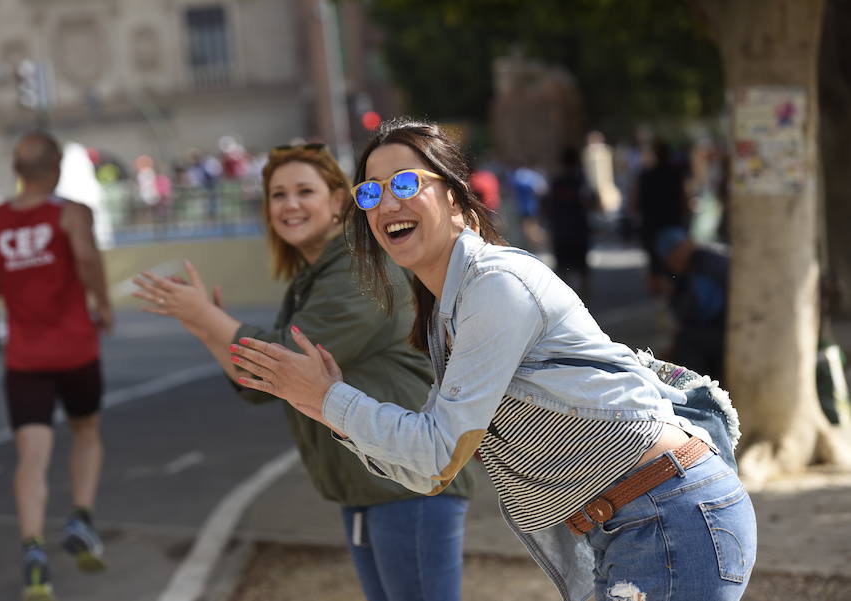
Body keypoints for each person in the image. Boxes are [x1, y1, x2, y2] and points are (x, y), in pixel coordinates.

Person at [231, 119, 757, 601]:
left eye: (407, 184)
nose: (387, 203)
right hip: (630, 523)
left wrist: (327, 398)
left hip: (668, 516)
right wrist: (326, 406)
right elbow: (430, 470)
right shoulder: (448, 313)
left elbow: (436, 454)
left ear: (457, 200)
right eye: (370, 191)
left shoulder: (496, 287)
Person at [131, 143, 475, 601]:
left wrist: (208, 319)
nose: (289, 204)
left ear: (338, 201)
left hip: (406, 487)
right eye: (277, 195)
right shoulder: (316, 275)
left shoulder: (358, 268)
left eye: (303, 191)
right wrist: (202, 322)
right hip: (371, 486)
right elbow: (257, 385)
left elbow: (286, 362)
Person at [0, 131, 112, 601]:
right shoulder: (70, 214)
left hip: (24, 357)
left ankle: (33, 551)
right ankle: (81, 518)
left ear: (18, 173)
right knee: (85, 431)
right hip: (76, 350)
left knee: (31, 456)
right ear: (57, 168)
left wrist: (4, 289)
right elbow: (85, 255)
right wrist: (102, 304)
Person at [655, 226, 729, 384]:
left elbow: (700, 310)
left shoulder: (706, 266)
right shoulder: (691, 268)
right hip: (713, 329)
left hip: (720, 330)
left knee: (686, 345)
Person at [631, 141, 690, 296]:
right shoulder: (677, 175)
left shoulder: (645, 176)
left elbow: (634, 204)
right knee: (675, 267)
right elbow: (685, 200)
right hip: (673, 225)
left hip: (652, 228)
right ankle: (670, 301)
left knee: (655, 267)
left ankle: (660, 301)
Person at [540, 146, 595, 302]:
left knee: (563, 268)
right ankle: (584, 300)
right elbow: (591, 201)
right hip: (578, 230)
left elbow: (545, 204)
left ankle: (566, 300)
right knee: (582, 267)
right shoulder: (581, 181)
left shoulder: (555, 182)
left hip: (560, 230)